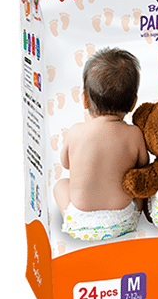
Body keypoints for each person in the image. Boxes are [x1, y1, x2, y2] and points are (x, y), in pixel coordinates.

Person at [54, 47, 148, 241]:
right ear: (133, 103)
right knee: (139, 189)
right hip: (124, 221)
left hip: (80, 223)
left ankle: (74, 222)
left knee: (61, 185)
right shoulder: (134, 134)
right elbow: (143, 166)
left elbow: (65, 164)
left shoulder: (76, 132)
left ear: (85, 99)